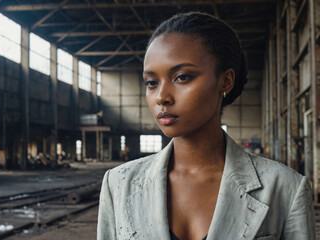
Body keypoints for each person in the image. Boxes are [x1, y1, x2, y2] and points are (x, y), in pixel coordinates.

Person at [97, 12, 315, 240]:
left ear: (225, 81)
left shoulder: (284, 188)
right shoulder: (119, 184)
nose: (161, 97)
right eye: (152, 83)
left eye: (182, 77)